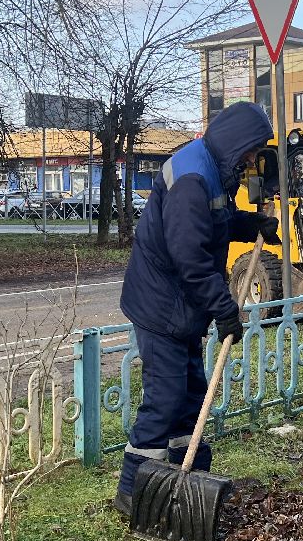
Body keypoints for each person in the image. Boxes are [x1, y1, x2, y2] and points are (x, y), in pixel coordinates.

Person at [114, 101, 279, 516]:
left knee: (191, 397)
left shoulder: (211, 168)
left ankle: (187, 481)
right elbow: (190, 256)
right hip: (162, 307)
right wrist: (224, 309)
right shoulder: (192, 177)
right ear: (237, 144)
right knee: (166, 400)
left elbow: (214, 221)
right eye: (252, 151)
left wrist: (250, 225)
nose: (253, 161)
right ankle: (135, 494)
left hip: (181, 309)